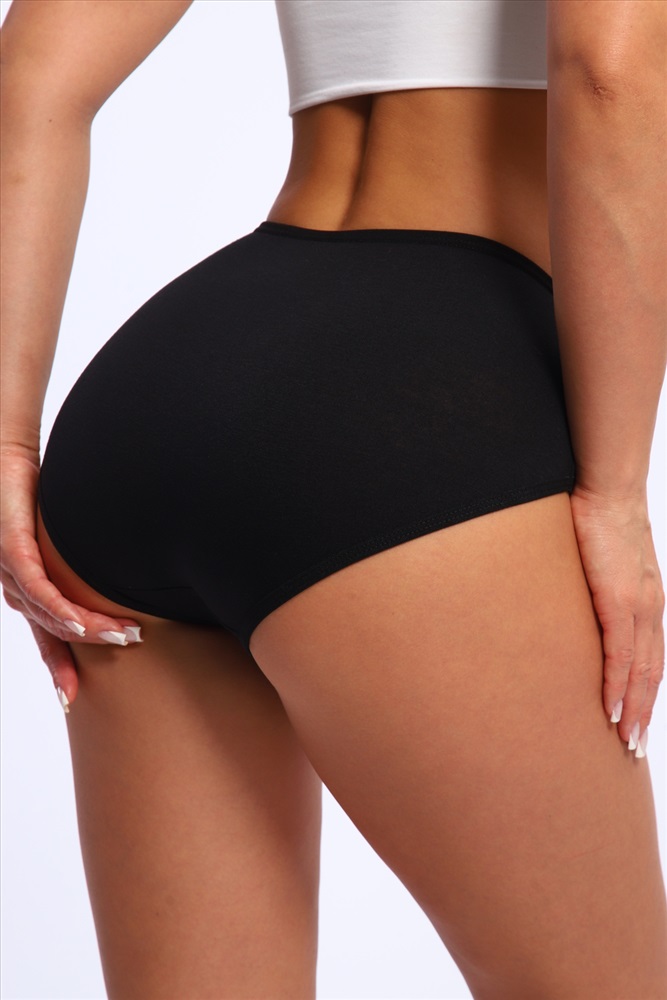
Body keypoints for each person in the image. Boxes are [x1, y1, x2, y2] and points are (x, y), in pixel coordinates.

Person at [1, 0, 666, 996]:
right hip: (414, 413)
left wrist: (6, 438)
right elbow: (609, 70)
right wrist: (614, 492)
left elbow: (31, 76)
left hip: (161, 390)